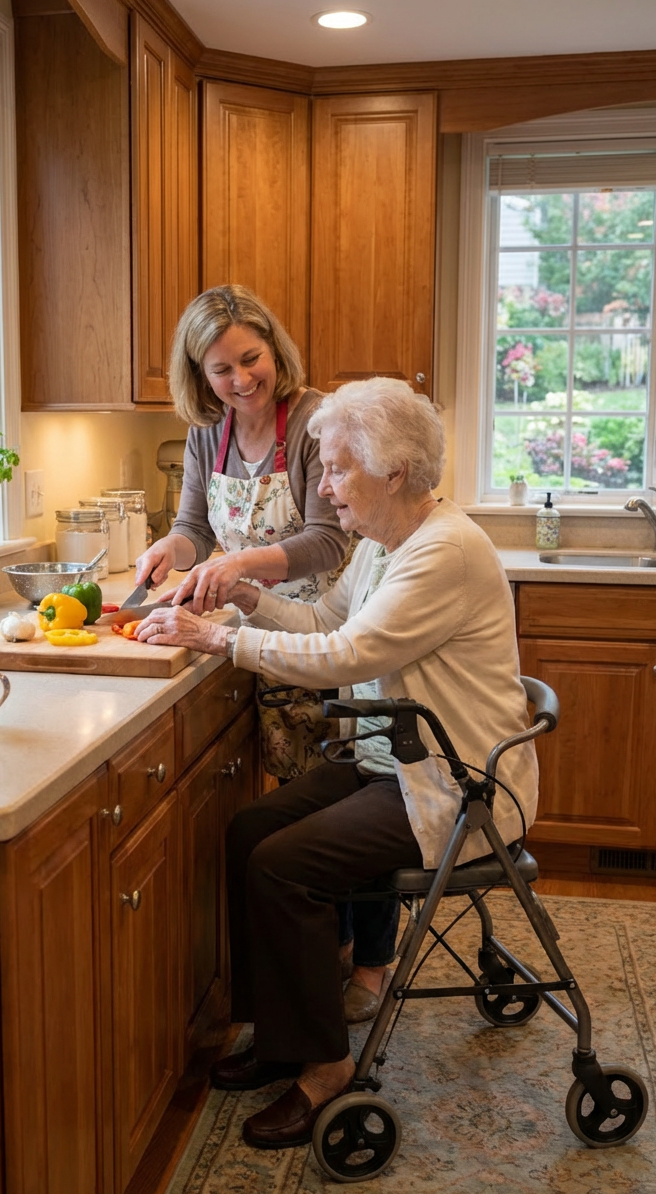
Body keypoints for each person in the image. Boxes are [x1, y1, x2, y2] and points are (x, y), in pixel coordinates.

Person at [133, 376, 540, 1149]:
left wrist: (219, 639)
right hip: (395, 758)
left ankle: (324, 1068)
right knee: (251, 830)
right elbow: (324, 617)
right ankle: (282, 1034)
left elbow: (348, 652)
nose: (322, 486)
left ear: (394, 472)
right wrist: (245, 598)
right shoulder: (384, 547)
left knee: (285, 865)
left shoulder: (443, 551)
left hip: (453, 783)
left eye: (336, 468)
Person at [135, 284, 397, 1019]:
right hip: (257, 627)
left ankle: (371, 961)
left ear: (273, 350)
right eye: (220, 369)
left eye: (250, 359)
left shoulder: (316, 422)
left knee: (356, 789)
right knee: (295, 801)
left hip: (331, 628)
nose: (240, 379)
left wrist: (240, 568)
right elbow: (194, 526)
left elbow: (328, 539)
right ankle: (327, 953)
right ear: (199, 375)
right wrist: (173, 548)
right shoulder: (206, 434)